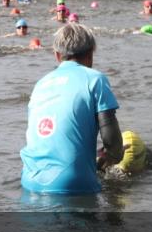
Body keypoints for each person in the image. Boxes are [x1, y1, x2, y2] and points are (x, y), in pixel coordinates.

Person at [19, 23, 123, 194]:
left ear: (57, 55)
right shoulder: (95, 79)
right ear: (90, 54)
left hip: (29, 181)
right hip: (72, 183)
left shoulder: (40, 84)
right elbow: (112, 142)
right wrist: (109, 160)